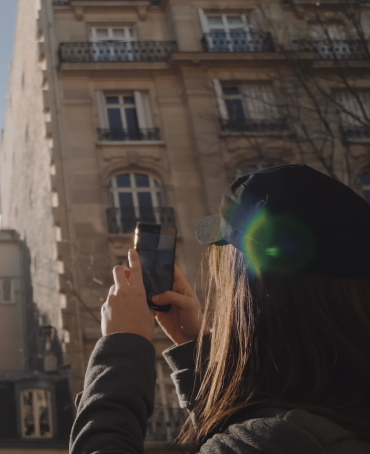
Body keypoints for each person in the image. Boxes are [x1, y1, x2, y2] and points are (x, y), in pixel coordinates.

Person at [70, 165, 370, 453]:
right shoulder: (335, 414)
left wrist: (121, 348)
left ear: (256, 291)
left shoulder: (282, 439)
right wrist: (197, 350)